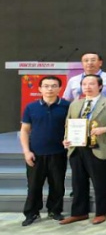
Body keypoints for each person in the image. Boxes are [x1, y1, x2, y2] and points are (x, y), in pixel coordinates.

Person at [61, 75, 106, 225]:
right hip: (77, 148)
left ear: (100, 86)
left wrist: (105, 129)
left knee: (100, 183)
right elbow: (68, 124)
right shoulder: (75, 104)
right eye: (84, 84)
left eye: (91, 84)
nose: (87, 87)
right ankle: (79, 213)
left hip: (99, 147)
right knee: (78, 182)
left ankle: (101, 212)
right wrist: (66, 139)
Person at [19, 76, 70, 226]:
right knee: (34, 185)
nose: (50, 89)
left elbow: (73, 127)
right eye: (46, 86)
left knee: (57, 184)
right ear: (40, 89)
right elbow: (24, 130)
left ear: (60, 88)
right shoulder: (31, 107)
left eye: (54, 86)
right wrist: (26, 151)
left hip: (58, 152)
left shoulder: (67, 106)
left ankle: (55, 211)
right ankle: (32, 213)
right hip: (36, 153)